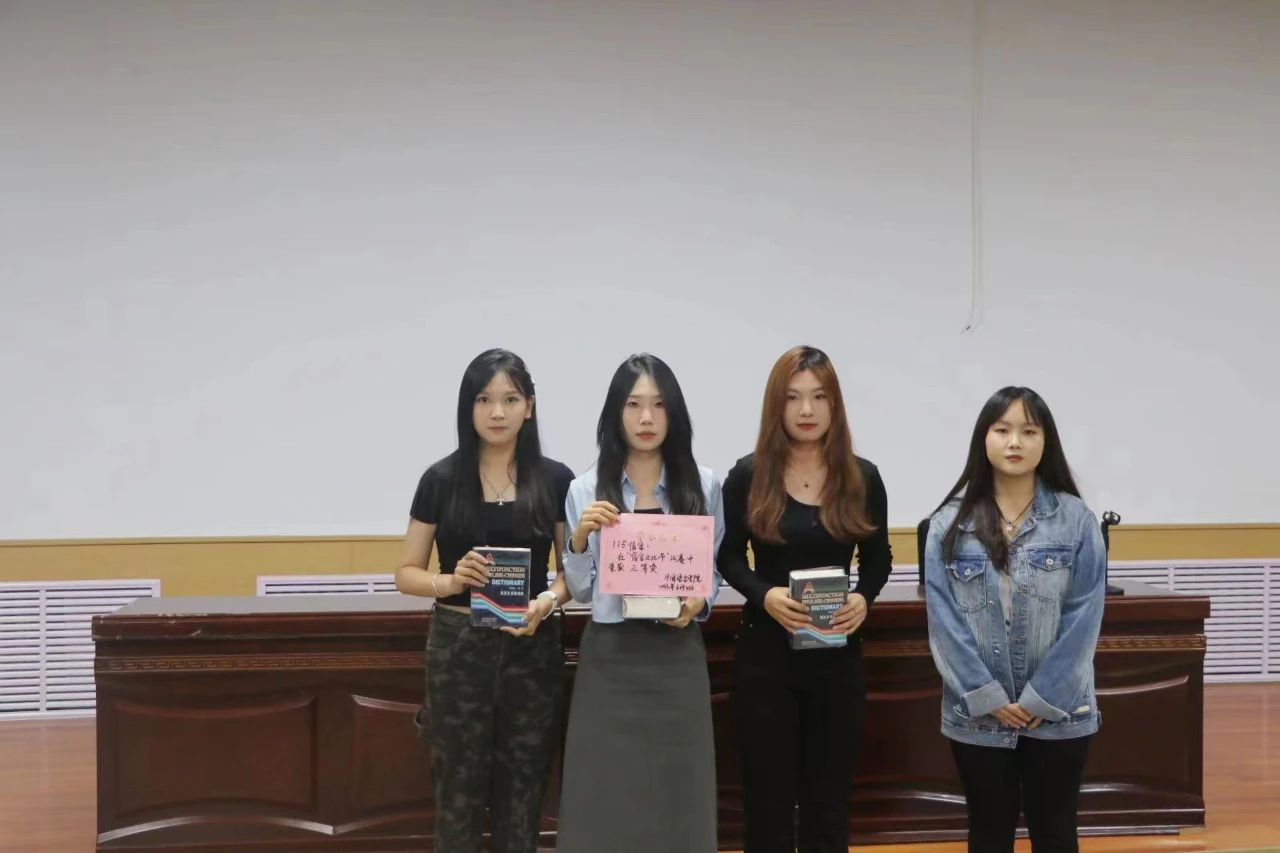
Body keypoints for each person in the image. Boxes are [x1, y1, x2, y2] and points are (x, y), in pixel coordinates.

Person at [394, 348, 574, 853]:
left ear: (529, 407)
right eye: (484, 399)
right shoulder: (441, 479)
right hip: (459, 646)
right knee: (458, 791)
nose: (497, 412)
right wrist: (450, 581)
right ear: (467, 407)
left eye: (510, 399)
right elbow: (405, 573)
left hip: (531, 642)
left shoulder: (555, 480)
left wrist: (548, 601)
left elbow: (572, 574)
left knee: (525, 789)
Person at [719, 345, 892, 853]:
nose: (807, 410)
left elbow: (878, 559)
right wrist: (765, 594)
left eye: (819, 397)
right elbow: (727, 556)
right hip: (765, 659)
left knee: (827, 806)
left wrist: (863, 599)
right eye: (793, 398)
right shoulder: (748, 475)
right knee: (767, 806)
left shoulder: (863, 476)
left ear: (835, 404)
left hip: (836, 659)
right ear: (776, 406)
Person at [924, 386, 1105, 853]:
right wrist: (986, 696)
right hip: (977, 715)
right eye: (1002, 429)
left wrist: (1043, 697)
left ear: (1046, 441)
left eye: (1029, 431)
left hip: (1060, 714)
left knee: (1056, 833)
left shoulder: (1077, 521)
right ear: (983, 439)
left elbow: (1084, 617)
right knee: (987, 834)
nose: (1014, 442)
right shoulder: (947, 524)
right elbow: (944, 622)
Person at [557, 353, 724, 853]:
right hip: (611, 657)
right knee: (604, 790)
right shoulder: (584, 489)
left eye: (658, 405)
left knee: (680, 788)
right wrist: (579, 540)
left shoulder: (705, 485)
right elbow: (581, 591)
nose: (646, 418)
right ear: (616, 414)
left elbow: (712, 573)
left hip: (677, 655)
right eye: (633, 405)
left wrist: (700, 600)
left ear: (675, 413)